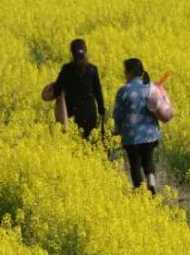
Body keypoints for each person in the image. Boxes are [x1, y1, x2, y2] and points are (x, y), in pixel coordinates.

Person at [112, 58, 162, 194]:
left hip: (131, 135)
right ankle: (151, 182)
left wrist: (117, 129)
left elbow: (117, 113)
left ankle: (140, 192)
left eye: (125, 71)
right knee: (148, 160)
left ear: (129, 73)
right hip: (150, 134)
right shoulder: (150, 87)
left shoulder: (124, 90)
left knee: (135, 163)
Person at [53, 38, 106, 139]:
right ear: (85, 51)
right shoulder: (92, 69)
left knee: (73, 142)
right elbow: (98, 91)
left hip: (71, 112)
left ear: (71, 53)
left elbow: (57, 90)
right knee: (89, 141)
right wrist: (101, 110)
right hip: (89, 112)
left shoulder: (66, 69)